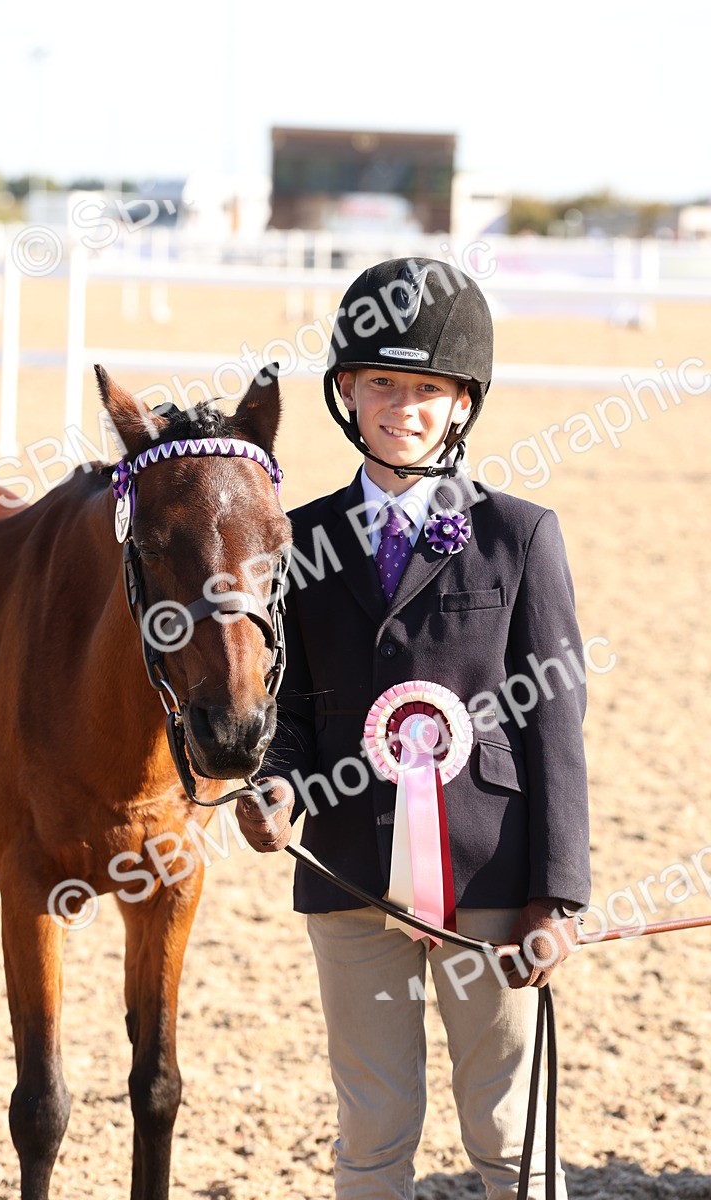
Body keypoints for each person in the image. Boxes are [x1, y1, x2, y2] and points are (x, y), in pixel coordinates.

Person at [235, 257, 591, 1200]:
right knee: (372, 1134)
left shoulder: (519, 536)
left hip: (494, 883)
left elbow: (558, 729)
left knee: (509, 1137)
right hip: (353, 877)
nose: (404, 405)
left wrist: (558, 898)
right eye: (382, 382)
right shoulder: (300, 542)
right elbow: (294, 716)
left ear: (461, 404)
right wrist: (277, 786)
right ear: (347, 391)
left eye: (427, 388)